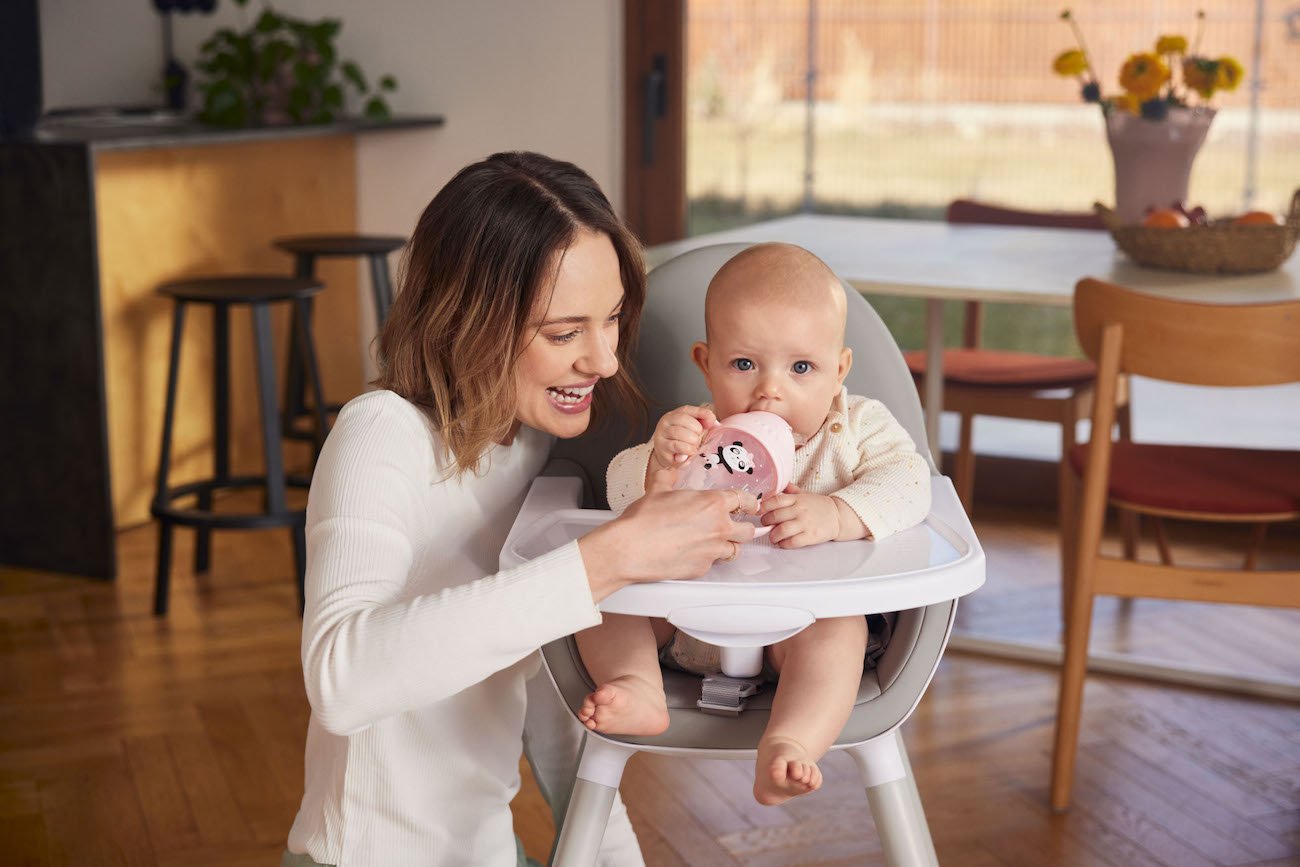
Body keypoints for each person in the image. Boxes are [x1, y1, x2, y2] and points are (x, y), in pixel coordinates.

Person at [282, 151, 759, 867]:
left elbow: (552, 718)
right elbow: (342, 681)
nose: (601, 360)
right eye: (563, 333)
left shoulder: (536, 451)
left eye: (612, 320)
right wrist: (611, 556)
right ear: (469, 320)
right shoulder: (382, 432)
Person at [576, 242, 931, 806]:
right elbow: (617, 492)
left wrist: (838, 514)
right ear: (706, 363)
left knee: (842, 634)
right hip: (684, 624)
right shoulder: (700, 433)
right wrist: (657, 470)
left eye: (801, 368)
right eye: (744, 364)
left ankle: (790, 741)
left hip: (799, 629)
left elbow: (913, 484)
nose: (770, 389)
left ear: (838, 370)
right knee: (597, 598)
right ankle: (637, 684)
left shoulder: (856, 427)